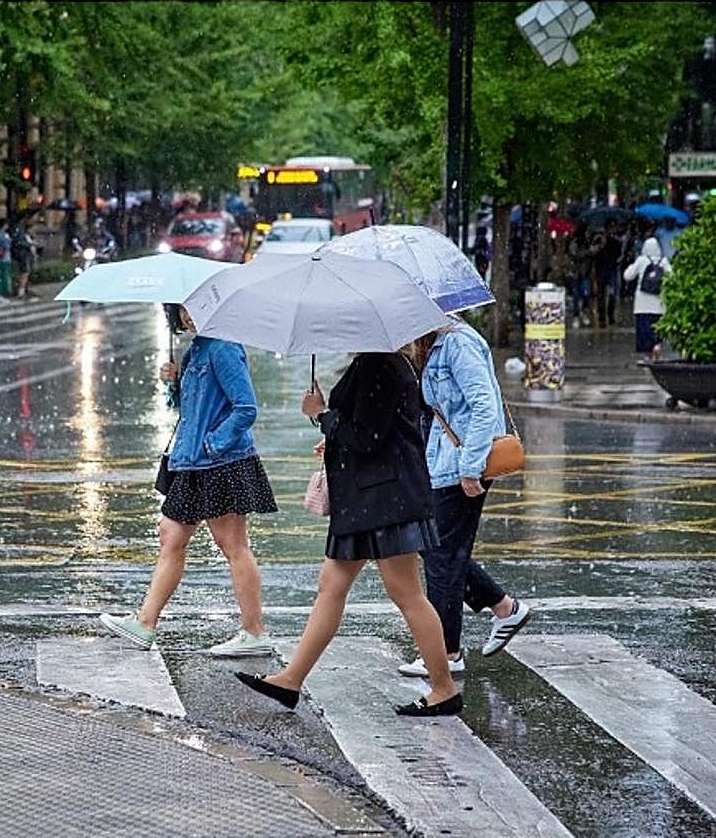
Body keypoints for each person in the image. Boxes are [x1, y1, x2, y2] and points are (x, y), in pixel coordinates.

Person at [235, 350, 462, 717]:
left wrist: (322, 415)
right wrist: (331, 430)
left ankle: (444, 688)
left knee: (407, 594)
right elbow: (375, 429)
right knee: (331, 586)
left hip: (387, 498)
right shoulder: (375, 361)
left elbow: (367, 436)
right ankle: (291, 679)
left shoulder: (380, 364)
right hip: (365, 498)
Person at [100, 304, 278, 658]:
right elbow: (195, 407)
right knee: (171, 536)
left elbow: (246, 408)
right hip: (192, 462)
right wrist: (175, 384)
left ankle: (254, 631)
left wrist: (214, 443)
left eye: (197, 307)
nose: (189, 315)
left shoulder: (224, 346)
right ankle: (145, 623)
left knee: (233, 545)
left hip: (220, 461)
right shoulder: (197, 348)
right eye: (182, 309)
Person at [395, 320, 532, 680]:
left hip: (462, 467)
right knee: (440, 551)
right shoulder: (436, 343)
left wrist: (470, 468)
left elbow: (485, 406)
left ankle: (447, 652)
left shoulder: (458, 344)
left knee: (441, 557)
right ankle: (505, 608)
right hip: (442, 464)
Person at [622, 236, 669, 362]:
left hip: (642, 305)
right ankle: (657, 345)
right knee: (657, 329)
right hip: (659, 304)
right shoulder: (664, 262)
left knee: (644, 330)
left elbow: (627, 276)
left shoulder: (642, 260)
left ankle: (647, 354)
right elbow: (672, 277)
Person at [11, 220, 37, 300]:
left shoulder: (28, 237)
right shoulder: (23, 236)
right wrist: (31, 244)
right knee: (24, 273)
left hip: (27, 257)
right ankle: (21, 291)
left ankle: (23, 290)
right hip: (23, 257)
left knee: (26, 274)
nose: (33, 231)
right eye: (32, 229)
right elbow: (20, 244)